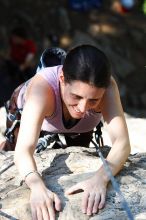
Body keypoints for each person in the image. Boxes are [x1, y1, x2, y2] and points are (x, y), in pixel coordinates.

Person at [0, 45, 130, 219]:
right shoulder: (42, 87)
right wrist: (37, 186)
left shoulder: (107, 87)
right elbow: (24, 150)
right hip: (29, 108)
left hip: (79, 127)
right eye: (76, 96)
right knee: (12, 151)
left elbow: (122, 143)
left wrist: (100, 179)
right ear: (62, 78)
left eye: (94, 100)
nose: (83, 108)